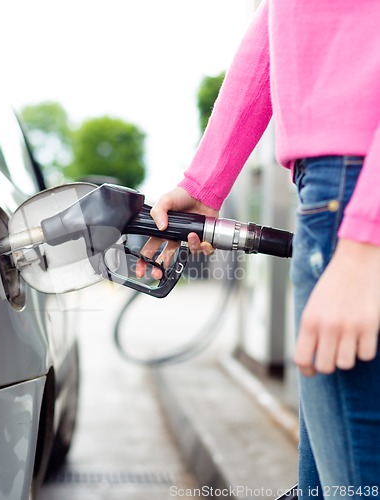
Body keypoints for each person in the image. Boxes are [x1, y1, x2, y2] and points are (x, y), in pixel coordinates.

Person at [136, 1, 380, 497]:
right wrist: (205, 183)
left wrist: (367, 239)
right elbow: (279, 20)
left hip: (355, 187)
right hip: (330, 192)